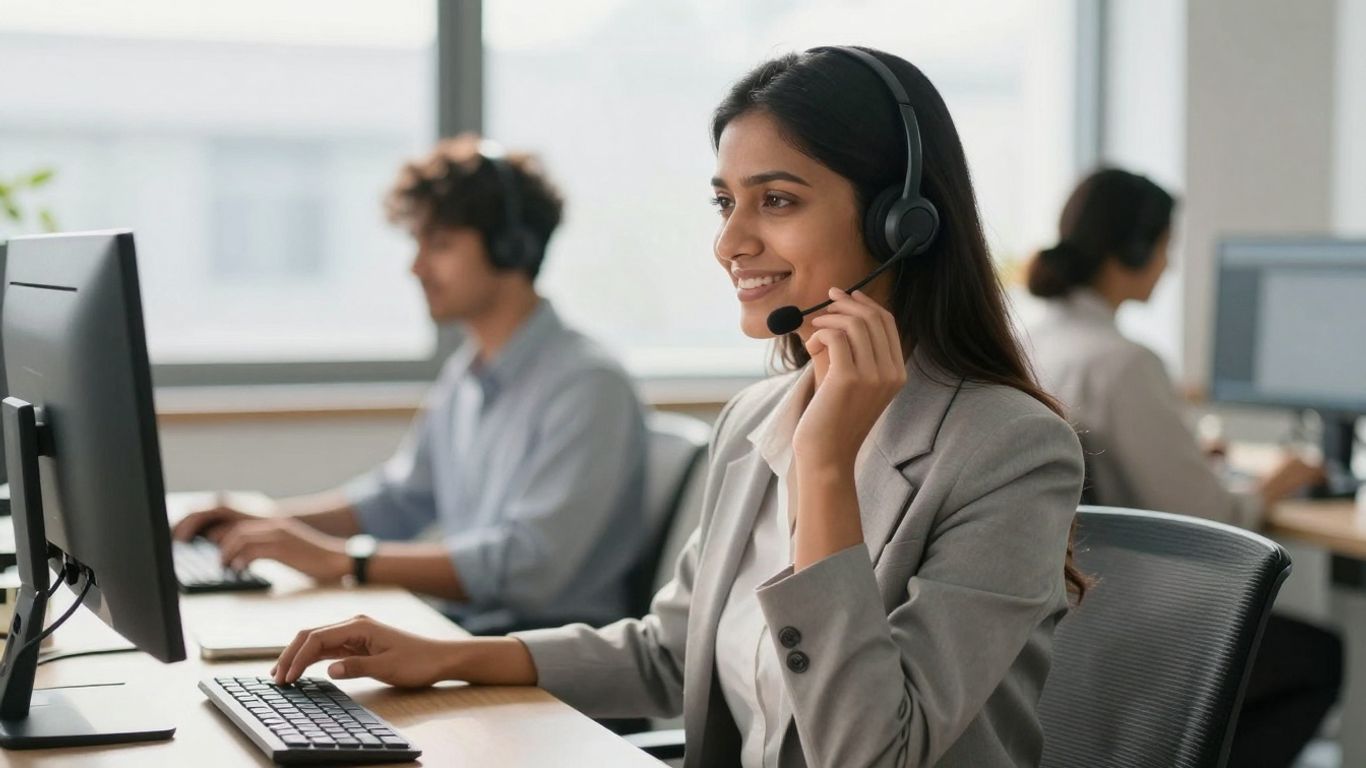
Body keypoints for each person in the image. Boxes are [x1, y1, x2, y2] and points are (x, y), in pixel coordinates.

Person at [272, 46, 1086, 768]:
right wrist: (449, 655)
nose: (730, 243)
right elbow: (669, 653)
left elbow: (871, 752)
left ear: (900, 223)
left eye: (776, 200)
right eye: (724, 203)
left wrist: (826, 466)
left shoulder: (1008, 450)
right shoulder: (754, 420)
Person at [173, 135, 648, 635]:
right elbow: (399, 500)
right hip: (470, 635)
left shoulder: (588, 385)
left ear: (512, 247)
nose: (416, 267)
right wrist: (264, 522)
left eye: (439, 244)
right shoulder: (470, 372)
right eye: (417, 243)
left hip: (544, 663)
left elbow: (528, 568)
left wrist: (344, 561)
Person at [1025, 167, 1342, 768]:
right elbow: (1210, 516)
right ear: (1135, 250)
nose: (1169, 266)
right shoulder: (1123, 362)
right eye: (1167, 248)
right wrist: (1275, 485)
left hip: (1066, 619)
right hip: (1138, 623)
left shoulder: (1033, 339)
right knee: (1322, 656)